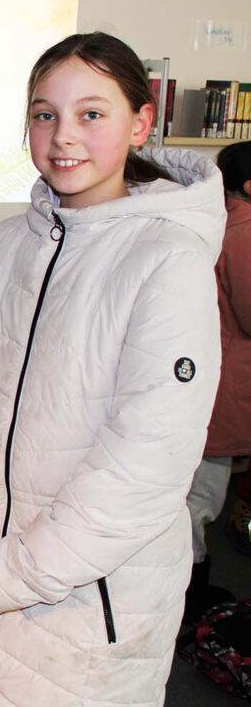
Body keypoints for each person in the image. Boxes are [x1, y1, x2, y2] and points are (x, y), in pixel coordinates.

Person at [0, 32, 226, 707]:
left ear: (140, 122)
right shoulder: (7, 244)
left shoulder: (169, 259)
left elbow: (145, 464)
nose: (63, 136)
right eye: (45, 114)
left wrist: (11, 573)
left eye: (92, 113)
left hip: (84, 610)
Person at [185, 139, 251, 619]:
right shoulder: (244, 231)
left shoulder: (217, 219)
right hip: (225, 386)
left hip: (212, 379)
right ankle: (188, 597)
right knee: (201, 498)